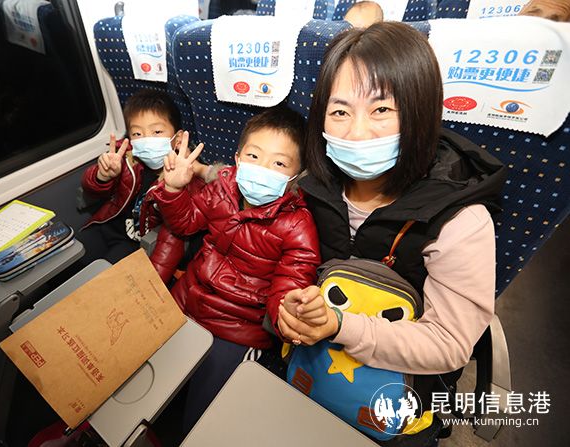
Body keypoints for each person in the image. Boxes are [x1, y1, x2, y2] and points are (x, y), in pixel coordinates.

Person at [275, 22, 506, 444]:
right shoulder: (309, 188)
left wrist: (341, 326)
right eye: (340, 112)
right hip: (304, 376)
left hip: (394, 405)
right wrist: (286, 307)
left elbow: (448, 343)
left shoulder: (460, 220)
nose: (357, 132)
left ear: (420, 114)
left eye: (381, 110)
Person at [151, 105, 321, 431]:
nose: (262, 169)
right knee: (151, 383)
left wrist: (288, 312)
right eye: (254, 156)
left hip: (238, 328)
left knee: (203, 416)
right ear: (238, 159)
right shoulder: (222, 188)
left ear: (295, 176)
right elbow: (186, 224)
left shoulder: (297, 225)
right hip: (185, 301)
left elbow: (289, 283)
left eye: (279, 163)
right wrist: (172, 189)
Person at [79, 89, 212, 276]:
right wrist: (103, 176)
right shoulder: (127, 159)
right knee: (72, 258)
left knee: (97, 278)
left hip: (137, 244)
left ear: (177, 139)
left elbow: (172, 237)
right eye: (137, 133)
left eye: (157, 132)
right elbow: (91, 190)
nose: (147, 139)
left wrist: (153, 280)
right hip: (108, 224)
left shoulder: (184, 177)